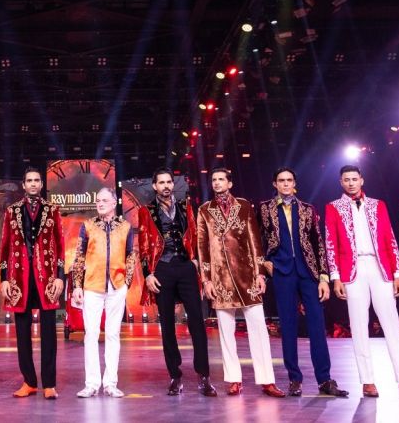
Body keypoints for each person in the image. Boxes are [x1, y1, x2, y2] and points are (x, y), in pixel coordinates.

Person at [325, 164, 399, 398]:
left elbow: (390, 238)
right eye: (346, 179)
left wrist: (397, 273)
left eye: (354, 179)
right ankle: (367, 381)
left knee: (392, 324)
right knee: (358, 325)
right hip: (352, 270)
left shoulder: (378, 205)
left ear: (362, 180)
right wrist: (335, 277)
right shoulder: (333, 207)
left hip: (381, 268)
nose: (351, 183)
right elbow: (331, 243)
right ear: (341, 182)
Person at [258, 168, 347, 397]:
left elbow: (318, 243)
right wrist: (263, 264)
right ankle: (294, 379)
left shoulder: (308, 209)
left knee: (317, 324)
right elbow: (257, 239)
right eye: (281, 181)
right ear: (275, 184)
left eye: (289, 180)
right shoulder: (265, 208)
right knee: (288, 326)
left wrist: (323, 277)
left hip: (308, 272)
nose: (286, 184)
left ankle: (324, 379)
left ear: (294, 183)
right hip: (282, 272)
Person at [197, 167, 283, 397]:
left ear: (230, 183)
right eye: (214, 180)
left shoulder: (244, 206)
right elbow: (202, 248)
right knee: (226, 332)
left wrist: (260, 274)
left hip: (247, 275)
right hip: (220, 278)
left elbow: (255, 241)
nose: (217, 183)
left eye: (221, 179)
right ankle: (233, 379)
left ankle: (267, 380)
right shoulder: (204, 210)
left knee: (259, 330)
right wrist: (206, 280)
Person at [137, 168, 216, 396]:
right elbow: (143, 244)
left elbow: (195, 235)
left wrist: (195, 260)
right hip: (162, 268)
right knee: (168, 326)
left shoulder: (185, 206)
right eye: (161, 182)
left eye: (169, 182)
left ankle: (204, 376)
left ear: (173, 184)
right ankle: (175, 376)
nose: (166, 186)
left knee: (197, 323)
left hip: (185, 267)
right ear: (155, 186)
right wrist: (148, 274)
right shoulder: (146, 211)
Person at [0, 166, 65, 399]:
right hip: (19, 278)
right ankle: (29, 381)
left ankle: (49, 384)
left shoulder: (53, 210)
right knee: (22, 332)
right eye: (30, 180)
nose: (34, 184)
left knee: (49, 332)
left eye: (37, 180)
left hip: (46, 277)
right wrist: (4, 279)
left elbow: (60, 245)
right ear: (24, 184)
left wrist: (60, 276)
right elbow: (4, 246)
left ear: (41, 184)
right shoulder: (12, 211)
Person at [71, 187, 136, 398]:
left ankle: (110, 383)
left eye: (104, 200)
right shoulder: (88, 226)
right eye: (98, 200)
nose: (100, 203)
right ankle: (91, 383)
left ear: (114, 203)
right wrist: (77, 285)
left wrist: (126, 282)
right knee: (91, 334)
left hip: (117, 285)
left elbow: (131, 255)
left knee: (113, 334)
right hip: (92, 285)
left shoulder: (125, 227)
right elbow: (79, 256)